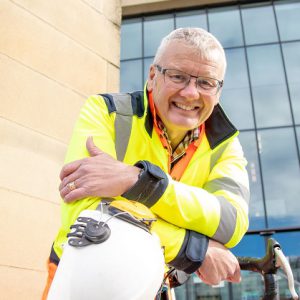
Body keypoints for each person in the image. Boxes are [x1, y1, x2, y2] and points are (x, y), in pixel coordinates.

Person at [42, 27, 249, 299]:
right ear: (153, 76)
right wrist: (192, 248)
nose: (190, 93)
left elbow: (230, 222)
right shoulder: (106, 112)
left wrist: (137, 183)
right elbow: (88, 211)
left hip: (156, 283)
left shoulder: (225, 144)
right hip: (83, 268)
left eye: (206, 83)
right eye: (178, 76)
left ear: (218, 90)